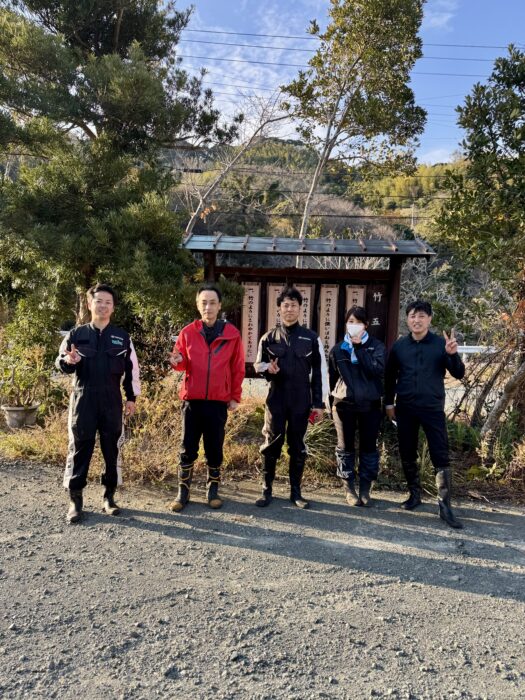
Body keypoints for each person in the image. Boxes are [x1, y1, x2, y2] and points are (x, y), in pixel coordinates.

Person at [56, 284, 140, 523]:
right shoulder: (76, 335)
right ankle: (75, 501)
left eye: (108, 302)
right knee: (80, 449)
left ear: (113, 307)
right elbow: (60, 362)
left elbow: (132, 370)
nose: (103, 306)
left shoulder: (123, 337)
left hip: (112, 401)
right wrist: (69, 361)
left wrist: (131, 398)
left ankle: (109, 497)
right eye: (98, 301)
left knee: (111, 450)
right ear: (90, 304)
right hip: (83, 399)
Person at [385, 300, 465, 529]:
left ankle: (444, 505)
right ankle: (414, 495)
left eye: (421, 316)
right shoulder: (400, 346)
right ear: (407, 319)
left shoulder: (441, 344)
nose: (416, 320)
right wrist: (389, 404)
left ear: (429, 319)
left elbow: (459, 373)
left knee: (440, 453)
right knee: (407, 451)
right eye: (412, 316)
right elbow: (389, 377)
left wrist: (453, 355)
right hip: (406, 408)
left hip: (432, 408)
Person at [168, 284, 245, 512]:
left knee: (214, 448)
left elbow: (237, 368)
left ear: (219, 306)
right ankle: (183, 492)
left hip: (218, 402)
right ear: (197, 305)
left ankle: (213, 491)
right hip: (192, 401)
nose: (208, 307)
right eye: (204, 303)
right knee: (187, 447)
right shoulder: (187, 332)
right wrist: (176, 361)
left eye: (212, 303)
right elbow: (181, 362)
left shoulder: (232, 334)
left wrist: (235, 396)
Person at [254, 286, 325, 509]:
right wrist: (268, 369)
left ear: (300, 308)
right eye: (285, 305)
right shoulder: (268, 338)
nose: (289, 309)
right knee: (271, 444)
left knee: (297, 446)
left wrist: (319, 404)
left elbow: (319, 373)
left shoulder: (311, 338)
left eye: (294, 305)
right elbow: (258, 365)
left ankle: (296, 492)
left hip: (301, 401)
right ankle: (266, 490)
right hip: (276, 399)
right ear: (279, 309)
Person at [329, 306, 386, 507]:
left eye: (358, 322)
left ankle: (365, 488)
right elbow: (332, 379)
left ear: (366, 325)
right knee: (345, 447)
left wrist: (360, 348)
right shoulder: (338, 349)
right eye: (350, 322)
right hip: (343, 404)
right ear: (346, 324)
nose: (354, 326)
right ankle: (349, 488)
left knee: (369, 447)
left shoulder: (376, 347)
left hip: (370, 404)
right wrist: (330, 403)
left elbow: (376, 371)